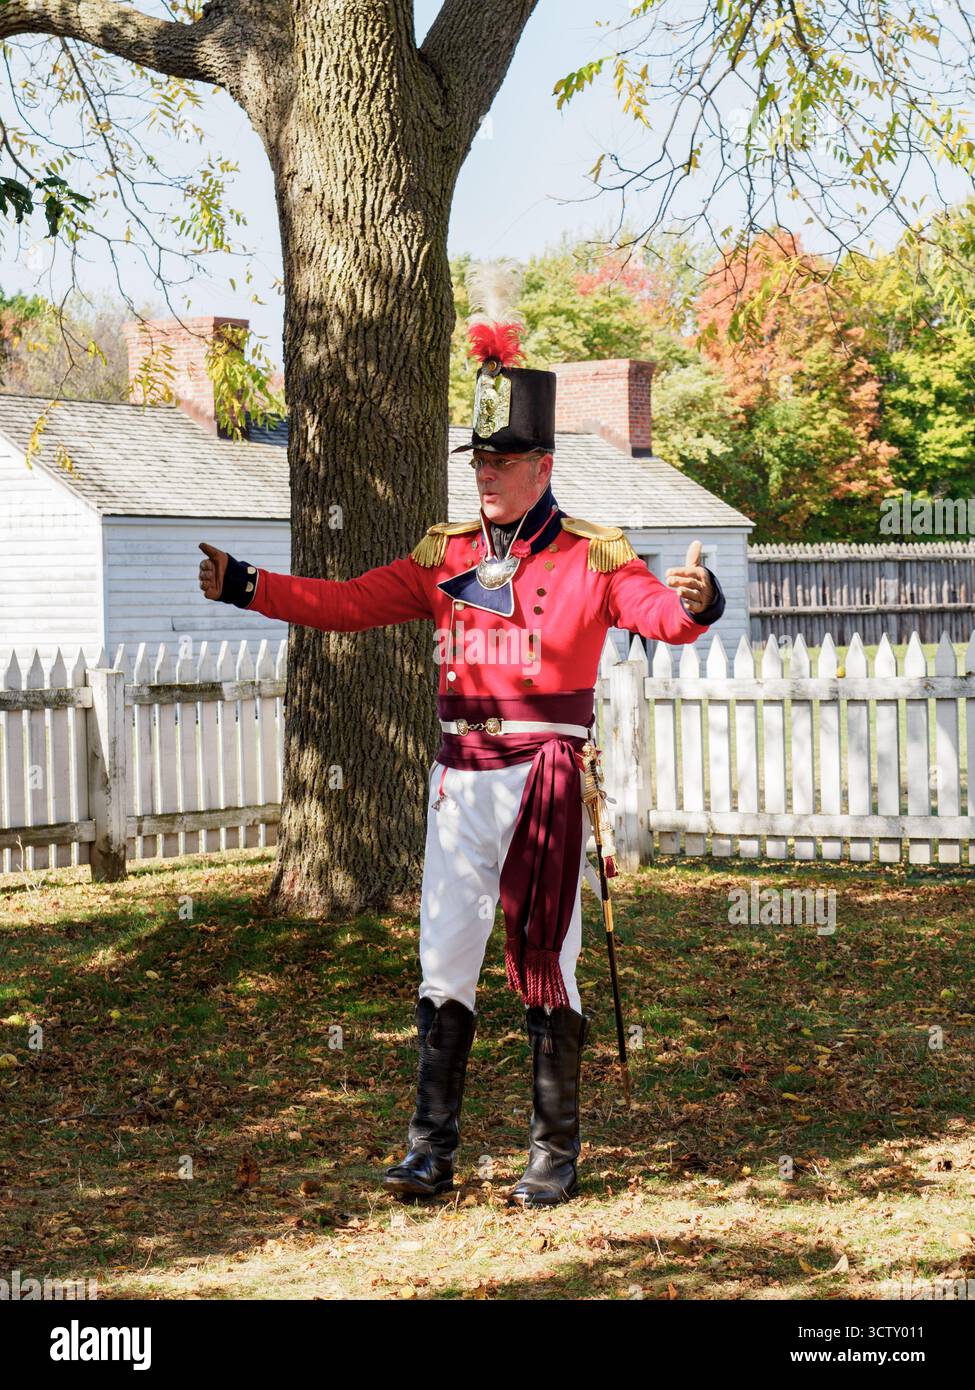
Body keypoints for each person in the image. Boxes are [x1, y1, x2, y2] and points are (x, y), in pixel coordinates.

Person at [197, 319, 725, 1208]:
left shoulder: (594, 554)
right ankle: (427, 1151)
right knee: (443, 958)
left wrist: (699, 600)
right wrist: (251, 586)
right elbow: (348, 602)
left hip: (542, 781)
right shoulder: (441, 556)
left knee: (547, 955)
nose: (484, 473)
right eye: (477, 459)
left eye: (503, 460)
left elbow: (659, 616)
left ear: (542, 467)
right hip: (458, 779)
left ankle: (552, 1156)